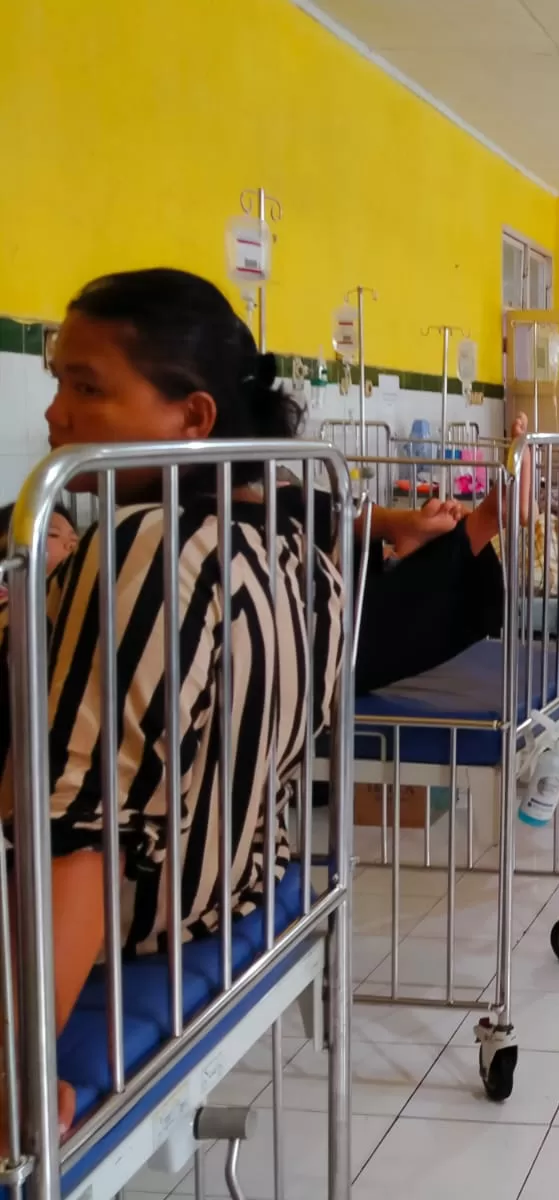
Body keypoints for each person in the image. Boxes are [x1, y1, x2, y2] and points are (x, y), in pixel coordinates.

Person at [0, 268, 345, 1138]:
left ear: (193, 417)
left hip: (134, 919)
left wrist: (18, 1073)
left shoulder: (142, 553)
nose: (55, 416)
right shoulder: (301, 554)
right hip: (237, 880)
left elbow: (75, 826)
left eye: (88, 389)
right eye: (58, 384)